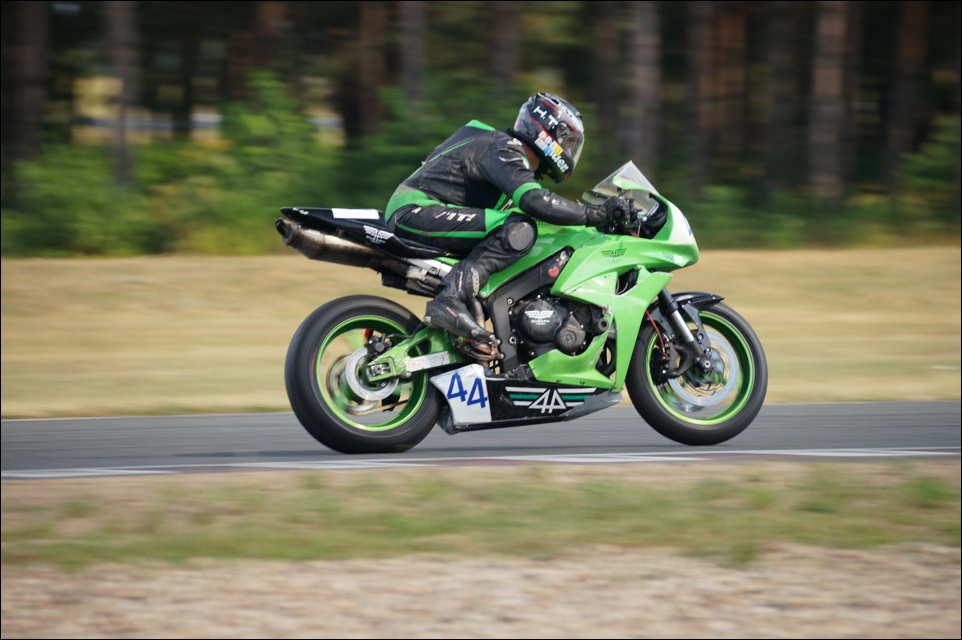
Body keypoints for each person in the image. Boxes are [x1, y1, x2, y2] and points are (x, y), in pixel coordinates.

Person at [384, 92, 630, 350]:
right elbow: (535, 201)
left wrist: (590, 223)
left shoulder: (505, 154)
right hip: (416, 211)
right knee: (518, 229)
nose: (569, 151)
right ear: (548, 131)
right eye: (567, 142)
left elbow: (542, 210)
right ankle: (450, 299)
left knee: (524, 232)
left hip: (425, 213)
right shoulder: (503, 147)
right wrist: (596, 213)